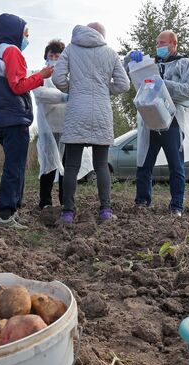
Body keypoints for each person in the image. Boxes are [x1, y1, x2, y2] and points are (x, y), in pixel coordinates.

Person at [52, 22, 130, 224]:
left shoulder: (71, 48)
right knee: (101, 165)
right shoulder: (110, 53)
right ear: (102, 36)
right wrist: (104, 89)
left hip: (77, 111)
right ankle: (105, 210)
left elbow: (57, 77)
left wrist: (75, 87)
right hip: (101, 114)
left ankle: (68, 212)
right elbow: (124, 84)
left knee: (71, 167)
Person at [126, 30, 189, 217]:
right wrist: (130, 57)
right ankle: (142, 202)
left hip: (172, 120)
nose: (159, 47)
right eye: (157, 43)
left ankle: (176, 206)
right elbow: (125, 71)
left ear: (174, 44)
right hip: (149, 119)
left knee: (176, 165)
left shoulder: (185, 64)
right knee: (144, 164)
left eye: (162, 43)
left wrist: (163, 84)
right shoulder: (150, 65)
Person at [0, 13, 54, 229]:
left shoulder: (1, 51)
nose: (27, 38)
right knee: (14, 167)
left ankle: (13, 211)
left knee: (15, 165)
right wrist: (42, 75)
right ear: (16, 33)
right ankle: (6, 214)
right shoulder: (12, 51)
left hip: (4, 117)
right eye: (26, 34)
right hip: (14, 118)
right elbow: (17, 86)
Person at [33, 39, 94, 210]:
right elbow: (40, 94)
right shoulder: (40, 75)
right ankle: (45, 202)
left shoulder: (71, 76)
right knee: (48, 165)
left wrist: (61, 96)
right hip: (48, 128)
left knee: (67, 168)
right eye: (50, 55)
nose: (53, 58)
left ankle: (65, 201)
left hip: (68, 128)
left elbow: (79, 93)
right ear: (46, 57)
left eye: (57, 56)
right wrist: (63, 96)